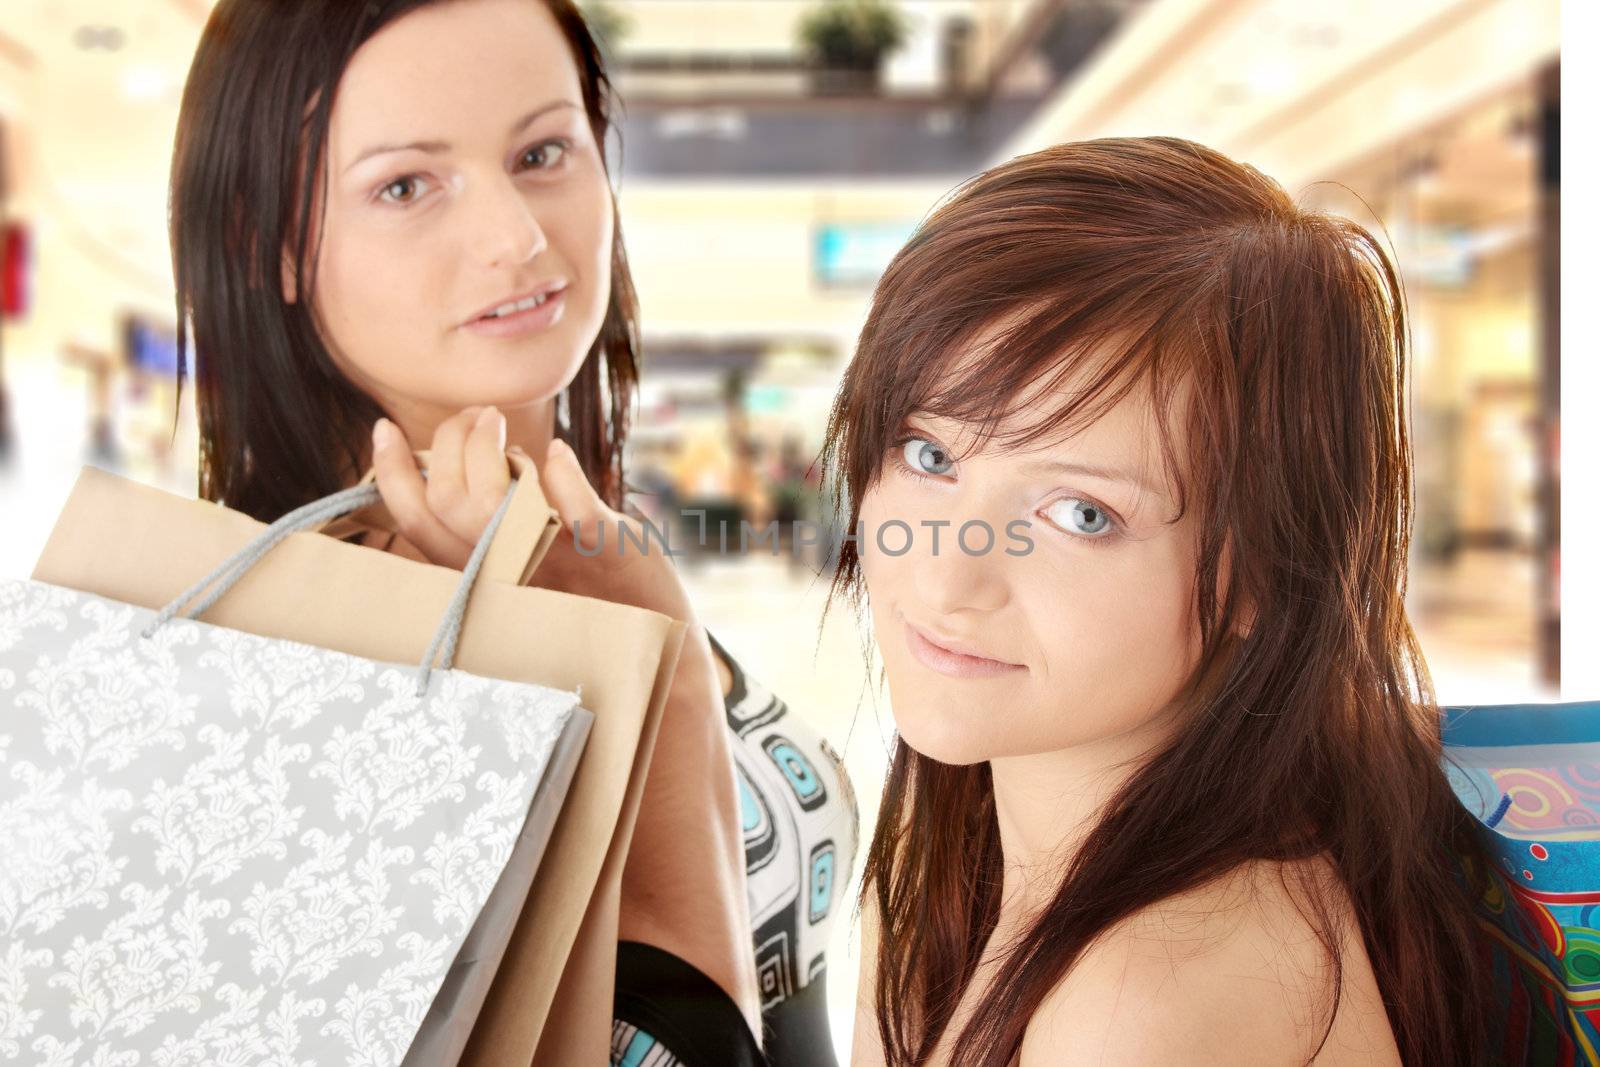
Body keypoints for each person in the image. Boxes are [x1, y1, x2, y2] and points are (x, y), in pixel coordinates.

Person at [167, 2, 856, 1064]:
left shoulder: (583, 548)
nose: (519, 238)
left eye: (542, 152)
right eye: (405, 185)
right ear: (268, 247)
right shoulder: (307, 663)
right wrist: (664, 684)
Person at [820, 137, 1507, 1066]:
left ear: (1264, 569)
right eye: (931, 455)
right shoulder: (943, 844)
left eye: (1081, 513)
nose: (947, 577)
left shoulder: (1145, 1002)